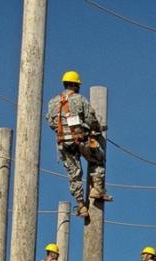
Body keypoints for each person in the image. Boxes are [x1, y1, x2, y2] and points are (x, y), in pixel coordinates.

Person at [46, 70, 112, 218]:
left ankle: (81, 206)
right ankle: (97, 188)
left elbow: (50, 122)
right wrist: (96, 130)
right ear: (76, 85)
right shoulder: (79, 99)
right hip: (81, 139)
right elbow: (90, 119)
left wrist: (63, 130)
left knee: (74, 175)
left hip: (63, 142)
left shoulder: (52, 102)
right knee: (98, 158)